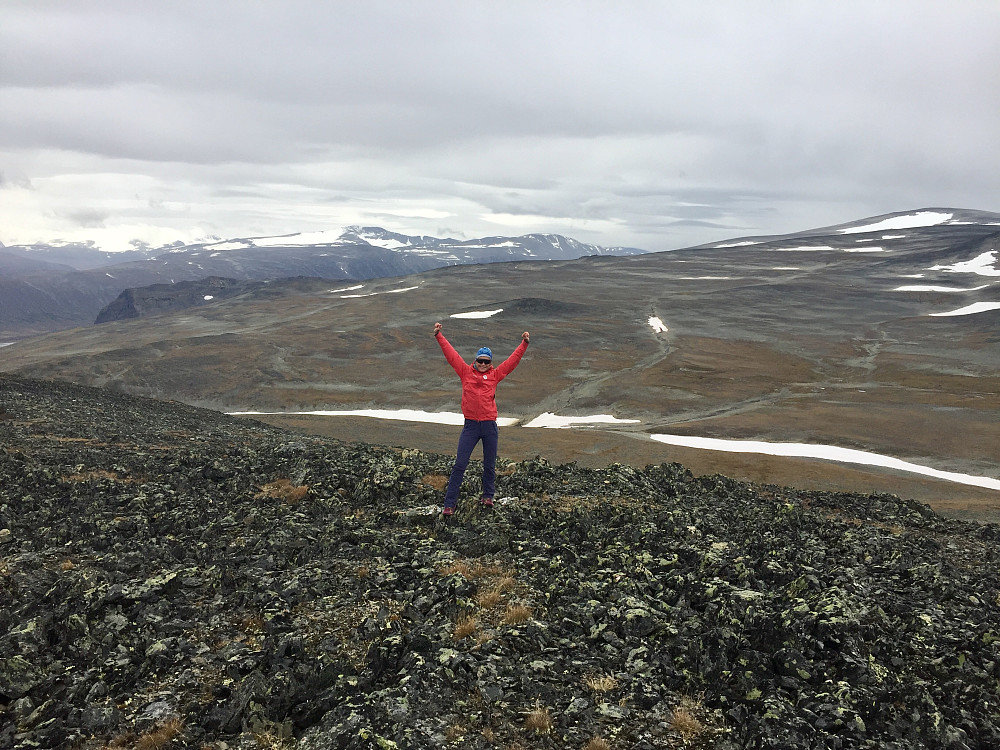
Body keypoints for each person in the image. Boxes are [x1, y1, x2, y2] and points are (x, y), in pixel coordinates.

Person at [433, 321, 530, 516]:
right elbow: (451, 355)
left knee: (489, 464)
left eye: (487, 361)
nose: (483, 364)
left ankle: (488, 496)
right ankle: (449, 504)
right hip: (470, 427)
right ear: (475, 360)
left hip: (489, 426)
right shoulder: (465, 372)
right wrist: (439, 336)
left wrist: (524, 344)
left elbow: (512, 362)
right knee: (460, 464)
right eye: (481, 361)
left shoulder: (495, 375)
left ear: (490, 362)